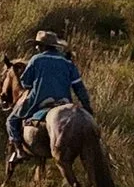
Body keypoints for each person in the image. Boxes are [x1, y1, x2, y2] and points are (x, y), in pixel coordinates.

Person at [8, 30, 92, 160]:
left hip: (39, 100)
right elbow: (79, 87)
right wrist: (86, 106)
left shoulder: (36, 59)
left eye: (37, 45)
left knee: (12, 120)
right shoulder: (67, 62)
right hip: (64, 102)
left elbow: (25, 83)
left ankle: (19, 151)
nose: (36, 47)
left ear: (41, 46)